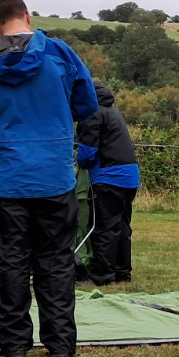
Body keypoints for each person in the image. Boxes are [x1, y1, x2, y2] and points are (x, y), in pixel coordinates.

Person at [0, 0, 98, 357]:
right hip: (53, 176)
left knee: (9, 262)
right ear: (27, 15)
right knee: (56, 260)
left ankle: (14, 347)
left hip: (5, 177)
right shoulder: (60, 53)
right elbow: (87, 105)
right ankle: (60, 348)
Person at [75, 84, 140, 286]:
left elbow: (86, 153)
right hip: (130, 177)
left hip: (108, 177)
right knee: (122, 226)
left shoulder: (92, 114)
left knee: (104, 228)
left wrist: (78, 161)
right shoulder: (114, 112)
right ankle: (122, 273)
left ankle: (102, 276)